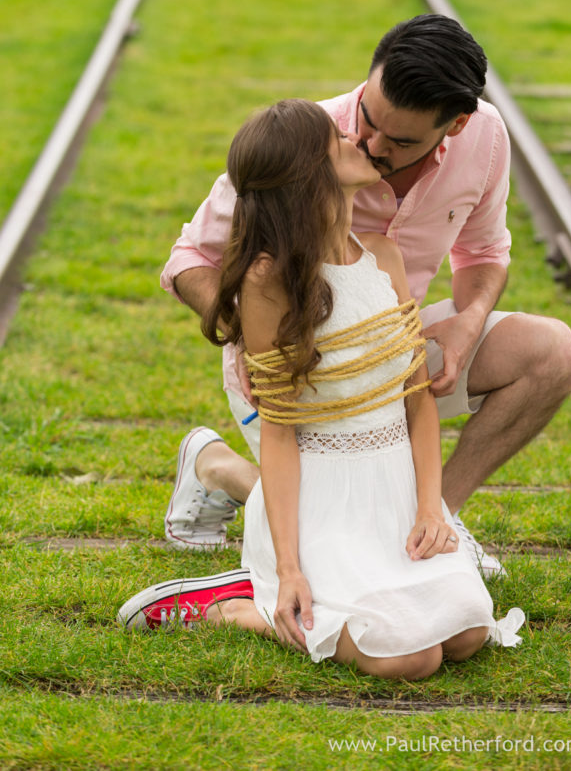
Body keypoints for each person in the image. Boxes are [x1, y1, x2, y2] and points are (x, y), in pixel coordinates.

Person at [119, 99, 525, 679]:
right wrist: (290, 569)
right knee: (406, 661)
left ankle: (248, 519)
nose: (357, 141)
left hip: (392, 488)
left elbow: (417, 399)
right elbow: (281, 434)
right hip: (323, 499)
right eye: (336, 142)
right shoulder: (269, 283)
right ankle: (237, 610)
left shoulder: (383, 256)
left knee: (467, 633)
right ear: (310, 175)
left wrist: (429, 505)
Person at [160, 14, 571, 575]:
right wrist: (263, 340)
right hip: (295, 375)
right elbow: (189, 260)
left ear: (454, 125)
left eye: (400, 140)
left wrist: (469, 320)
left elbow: (482, 254)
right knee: (321, 535)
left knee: (553, 351)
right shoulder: (305, 141)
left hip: (390, 352)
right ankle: (215, 466)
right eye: (367, 119)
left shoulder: (486, 138)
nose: (372, 144)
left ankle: (436, 523)